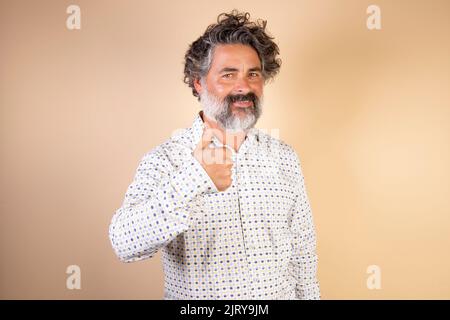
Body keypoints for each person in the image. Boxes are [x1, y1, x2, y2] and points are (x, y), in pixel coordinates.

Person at [108, 9, 320, 300]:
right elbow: (124, 242)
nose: (244, 86)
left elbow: (302, 252)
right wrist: (195, 177)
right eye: (228, 74)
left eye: (253, 74)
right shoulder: (166, 160)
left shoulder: (284, 157)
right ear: (199, 82)